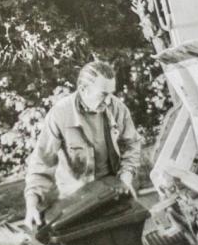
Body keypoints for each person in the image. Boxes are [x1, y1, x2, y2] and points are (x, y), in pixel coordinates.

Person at [23, 60, 142, 229]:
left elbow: (131, 145)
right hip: (75, 197)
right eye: (103, 94)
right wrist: (32, 204)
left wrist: (126, 178)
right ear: (83, 89)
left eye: (111, 93)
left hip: (112, 190)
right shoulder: (60, 114)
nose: (109, 100)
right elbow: (42, 163)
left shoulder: (117, 108)